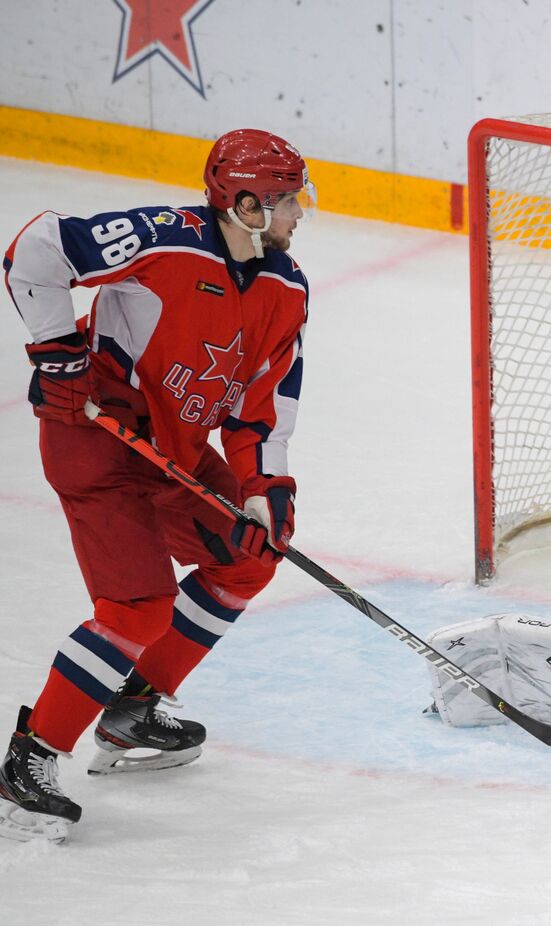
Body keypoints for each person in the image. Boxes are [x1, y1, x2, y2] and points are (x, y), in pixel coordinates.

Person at [0, 129, 314, 843]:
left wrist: (265, 490)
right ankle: (31, 758)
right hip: (96, 441)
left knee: (250, 558)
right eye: (287, 200)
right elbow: (36, 249)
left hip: (172, 448)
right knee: (137, 607)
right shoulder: (164, 238)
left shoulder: (284, 287)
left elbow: (263, 406)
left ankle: (132, 706)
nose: (300, 213)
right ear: (244, 205)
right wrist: (58, 355)